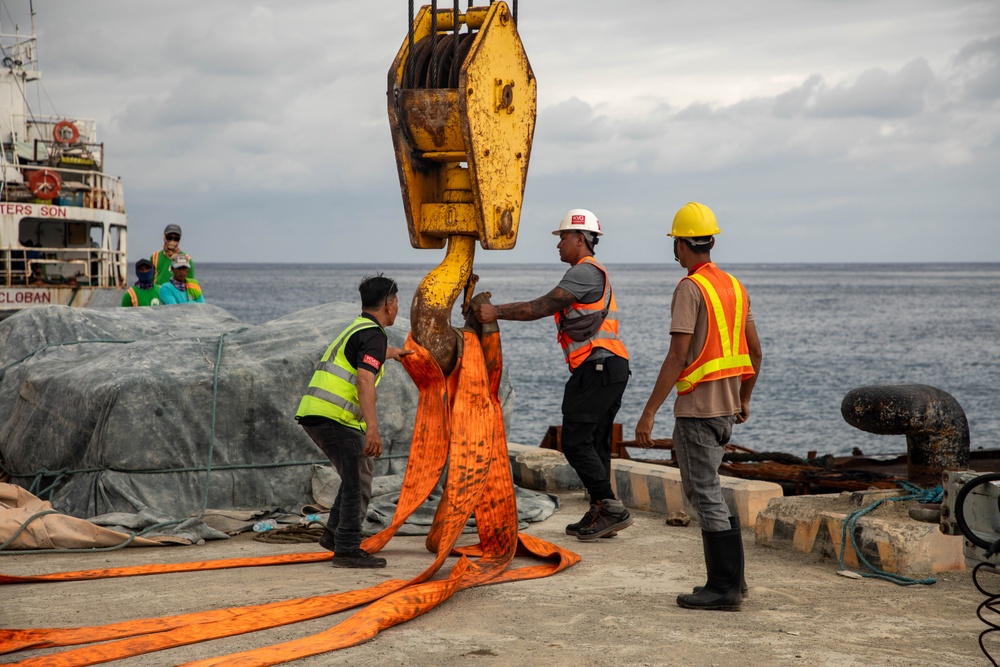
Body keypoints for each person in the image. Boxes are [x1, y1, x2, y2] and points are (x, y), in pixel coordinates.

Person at [634, 201, 763, 612]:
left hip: (697, 412)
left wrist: (649, 410)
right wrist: (744, 399)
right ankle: (735, 582)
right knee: (714, 492)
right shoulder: (734, 286)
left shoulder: (690, 288)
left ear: (680, 246)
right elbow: (755, 354)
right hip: (726, 412)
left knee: (703, 493)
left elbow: (677, 356)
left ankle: (722, 588)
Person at [474, 208, 632, 541]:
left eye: (562, 238)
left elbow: (543, 306)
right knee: (596, 443)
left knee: (575, 442)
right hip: (611, 367)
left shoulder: (584, 272)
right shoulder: (593, 272)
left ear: (580, 239)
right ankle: (602, 513)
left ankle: (610, 506)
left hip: (597, 366)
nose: (558, 245)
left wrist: (495, 311)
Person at [295, 275, 412, 568]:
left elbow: (363, 356)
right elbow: (364, 379)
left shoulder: (360, 328)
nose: (398, 307)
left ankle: (335, 537)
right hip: (334, 416)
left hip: (318, 412)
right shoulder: (374, 334)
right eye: (397, 302)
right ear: (388, 304)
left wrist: (393, 352)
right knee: (358, 481)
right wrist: (373, 428)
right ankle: (347, 549)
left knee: (354, 476)